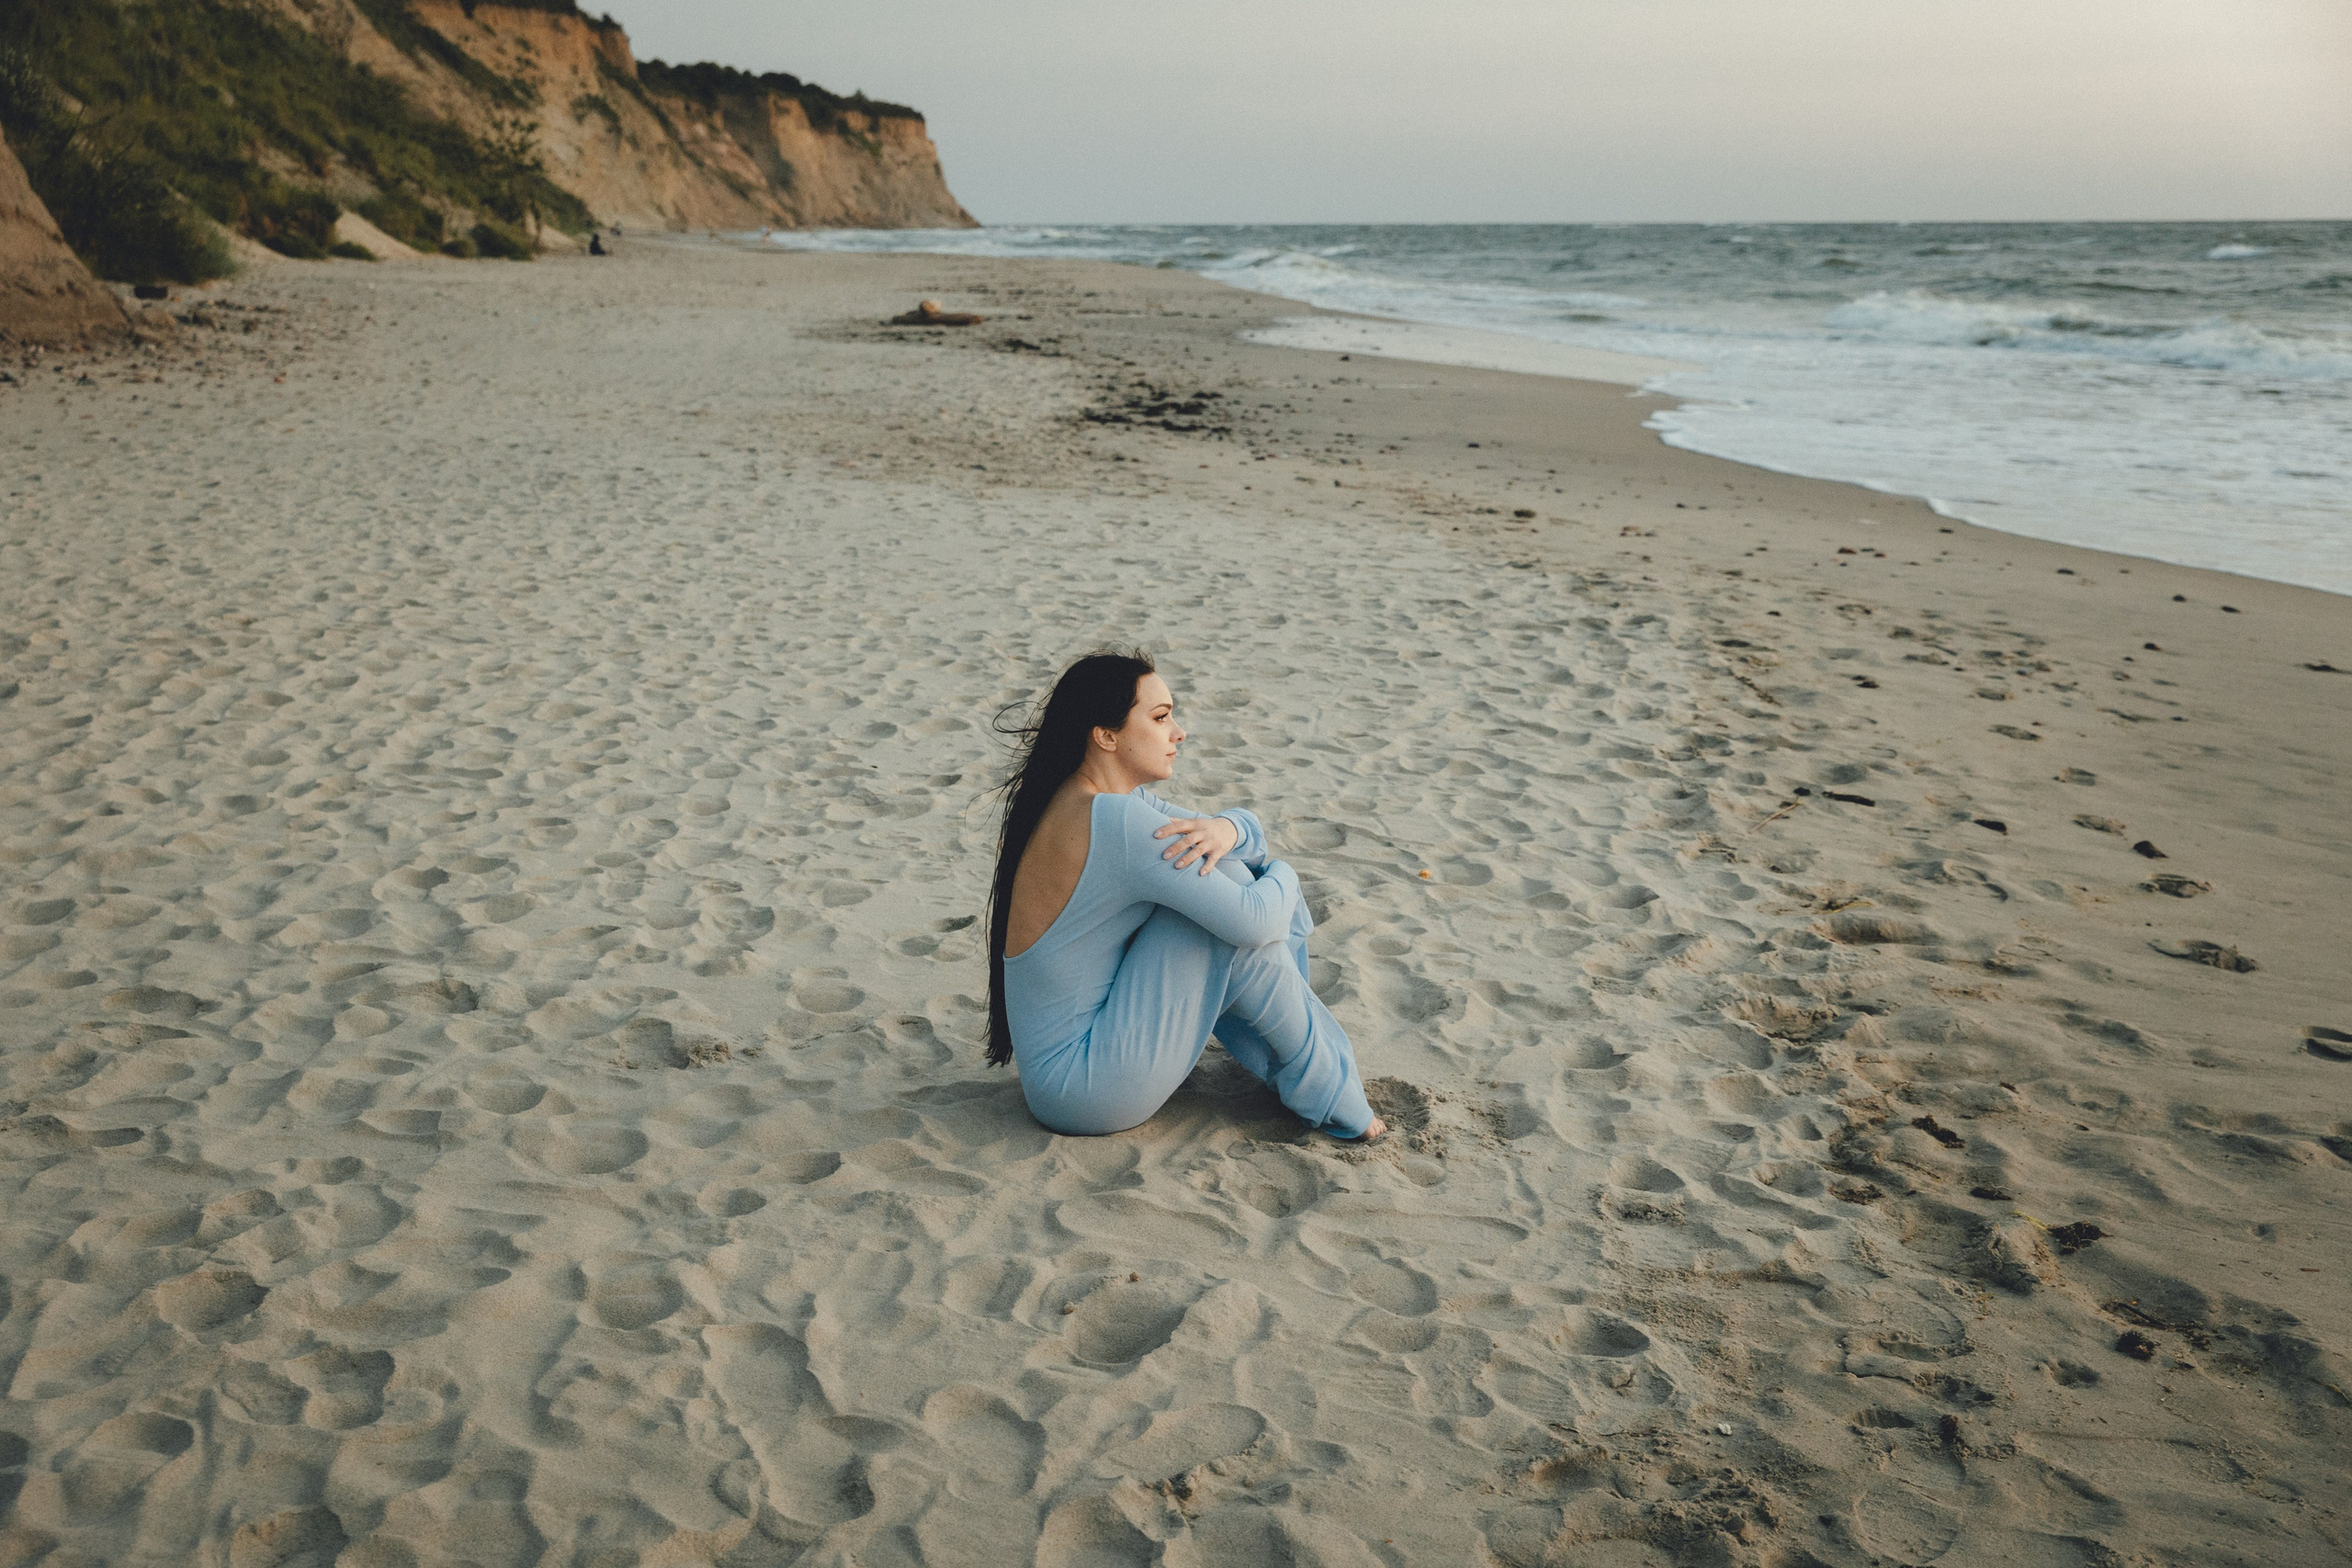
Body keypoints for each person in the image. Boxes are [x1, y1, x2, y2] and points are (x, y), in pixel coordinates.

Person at [986, 650, 1385, 1141]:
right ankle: (1336, 1100)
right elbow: (1254, 922)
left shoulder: (1094, 800)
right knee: (1229, 907)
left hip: (1061, 1081)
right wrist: (1286, 872)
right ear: (1106, 736)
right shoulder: (1117, 823)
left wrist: (1227, 827)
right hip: (1084, 1091)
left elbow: (1228, 836)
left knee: (1224, 876)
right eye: (1160, 718)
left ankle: (1312, 1082)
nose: (1179, 732)